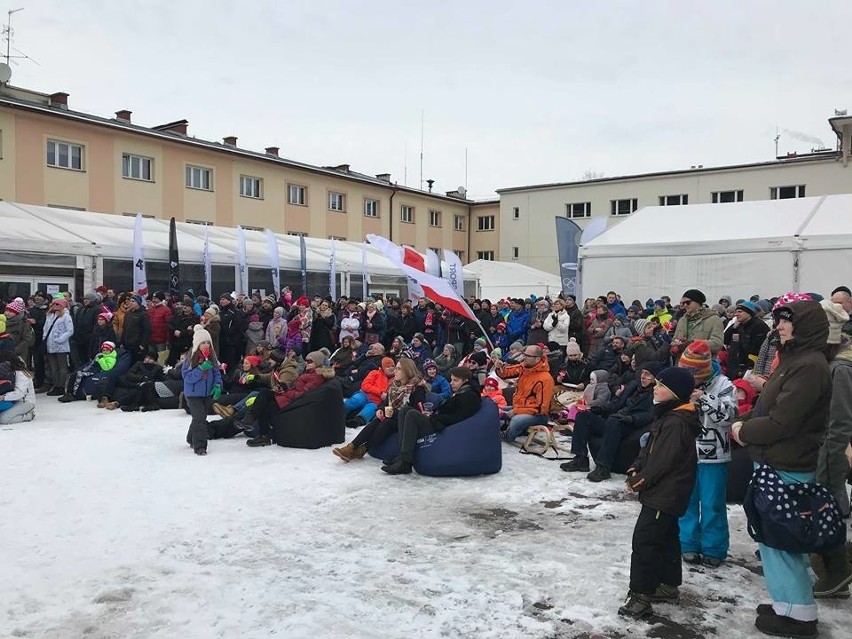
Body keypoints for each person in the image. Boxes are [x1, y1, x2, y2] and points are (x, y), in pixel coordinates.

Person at [731, 300, 831, 638]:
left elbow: (782, 422)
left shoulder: (809, 366)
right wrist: (744, 420)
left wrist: (743, 431)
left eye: (787, 321)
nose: (780, 326)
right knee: (774, 541)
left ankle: (798, 616)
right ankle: (786, 603)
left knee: (782, 541)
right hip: (774, 460)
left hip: (788, 462)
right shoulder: (793, 360)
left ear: (806, 326)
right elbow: (765, 408)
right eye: (780, 320)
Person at [618, 367, 700, 619]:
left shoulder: (676, 422)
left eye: (661, 385)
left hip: (665, 493)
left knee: (646, 541)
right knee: (666, 537)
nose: (655, 387)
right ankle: (667, 584)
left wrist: (639, 481)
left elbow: (662, 462)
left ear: (674, 393)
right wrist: (635, 466)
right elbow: (650, 451)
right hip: (665, 494)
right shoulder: (668, 416)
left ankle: (641, 597)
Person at [676, 340, 737, 568]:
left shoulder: (724, 385)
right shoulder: (681, 382)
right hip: (686, 453)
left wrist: (703, 398)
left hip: (715, 455)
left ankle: (714, 547)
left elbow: (729, 417)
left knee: (713, 503)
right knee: (686, 500)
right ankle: (687, 542)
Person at [561, 361, 660, 482]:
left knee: (614, 421)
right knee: (583, 416)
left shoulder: (656, 393)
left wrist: (631, 418)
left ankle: (603, 467)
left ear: (656, 377)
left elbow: (650, 415)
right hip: (614, 419)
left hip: (630, 425)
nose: (643, 376)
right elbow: (615, 404)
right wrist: (599, 409)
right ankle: (580, 458)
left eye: (648, 374)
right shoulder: (634, 386)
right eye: (643, 372)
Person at [812, 300, 852, 598]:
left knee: (828, 510)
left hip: (832, 452)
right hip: (827, 448)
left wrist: (829, 464)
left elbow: (839, 423)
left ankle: (837, 571)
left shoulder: (839, 368)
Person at [382, 366, 481, 475]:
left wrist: (434, 416)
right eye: (451, 380)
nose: (451, 383)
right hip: (438, 420)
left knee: (411, 414)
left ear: (465, 380)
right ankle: (401, 455)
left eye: (455, 380)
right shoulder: (462, 391)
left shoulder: (470, 397)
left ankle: (406, 462)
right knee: (405, 410)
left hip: (443, 426)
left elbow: (457, 418)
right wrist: (433, 413)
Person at [332, 357, 426, 462]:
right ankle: (351, 447)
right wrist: (381, 409)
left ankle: (363, 449)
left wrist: (393, 413)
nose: (395, 371)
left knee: (387, 422)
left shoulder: (417, 388)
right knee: (378, 420)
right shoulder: (394, 385)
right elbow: (385, 403)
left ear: (407, 370)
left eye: (398, 369)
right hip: (392, 416)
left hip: (405, 422)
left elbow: (414, 412)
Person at [245, 350, 335, 447]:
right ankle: (255, 426)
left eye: (309, 361)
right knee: (264, 397)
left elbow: (302, 394)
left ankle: (254, 424)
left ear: (317, 363)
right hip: (291, 398)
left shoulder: (315, 377)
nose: (306, 363)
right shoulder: (310, 372)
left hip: (295, 403)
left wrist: (285, 391)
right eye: (306, 360)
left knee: (265, 398)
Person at [495, 344, 554, 443]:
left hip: (538, 415)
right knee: (495, 409)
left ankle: (507, 436)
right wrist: (499, 367)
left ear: (537, 359)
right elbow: (506, 373)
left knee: (516, 420)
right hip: (520, 407)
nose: (524, 358)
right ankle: (501, 429)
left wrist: (516, 411)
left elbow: (541, 408)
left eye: (528, 356)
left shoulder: (545, 379)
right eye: (524, 355)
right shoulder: (524, 367)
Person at [181, 324, 223, 456]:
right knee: (200, 418)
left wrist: (217, 385)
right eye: (203, 343)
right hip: (193, 394)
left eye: (208, 343)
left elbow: (216, 373)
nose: (206, 345)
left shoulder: (212, 357)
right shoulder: (190, 359)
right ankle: (200, 446)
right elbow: (187, 377)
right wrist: (200, 369)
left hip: (206, 393)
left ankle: (190, 438)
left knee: (200, 417)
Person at [343, 356, 395, 428]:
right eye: (388, 367)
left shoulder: (394, 381)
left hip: (375, 402)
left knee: (371, 409)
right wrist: (380, 392)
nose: (391, 368)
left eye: (393, 366)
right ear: (383, 368)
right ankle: (340, 413)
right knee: (357, 400)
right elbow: (365, 385)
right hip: (364, 394)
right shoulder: (375, 373)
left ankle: (357, 421)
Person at [724, 301, 770, 379]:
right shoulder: (737, 325)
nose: (736, 314)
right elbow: (725, 340)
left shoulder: (759, 326)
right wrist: (733, 328)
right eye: (736, 312)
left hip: (748, 367)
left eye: (740, 312)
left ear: (749, 313)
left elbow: (757, 349)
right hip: (733, 365)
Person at [672, 289, 724, 356]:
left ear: (698, 302)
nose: (685, 305)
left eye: (687, 302)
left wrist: (694, 344)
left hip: (702, 363)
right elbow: (675, 340)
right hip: (681, 362)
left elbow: (717, 344)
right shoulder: (682, 320)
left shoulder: (714, 319)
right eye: (683, 303)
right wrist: (674, 347)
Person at [42, 297, 74, 396]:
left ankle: (61, 386)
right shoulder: (49, 315)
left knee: (62, 367)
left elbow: (70, 330)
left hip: (61, 346)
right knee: (53, 367)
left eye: (57, 304)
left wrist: (60, 339)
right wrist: (44, 339)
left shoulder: (66, 316)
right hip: (50, 345)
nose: (54, 306)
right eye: (53, 304)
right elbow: (46, 329)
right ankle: (55, 385)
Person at [0, 350, 35, 424]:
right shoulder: (7, 373)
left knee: (4, 418)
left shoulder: (21, 374)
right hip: (12, 401)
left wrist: (3, 397)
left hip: (25, 402)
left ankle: (29, 415)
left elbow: (20, 393)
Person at [121, 295, 151, 364]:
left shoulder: (143, 314)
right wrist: (122, 341)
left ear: (138, 303)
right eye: (130, 301)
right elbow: (125, 328)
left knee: (136, 363)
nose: (130, 303)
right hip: (127, 344)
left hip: (137, 345)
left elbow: (147, 330)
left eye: (133, 301)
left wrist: (143, 344)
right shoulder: (128, 313)